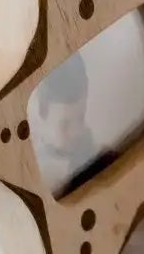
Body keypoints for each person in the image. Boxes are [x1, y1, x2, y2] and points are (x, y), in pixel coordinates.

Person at [31, 52, 111, 198]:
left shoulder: (95, 150)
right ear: (41, 116)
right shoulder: (36, 172)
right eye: (65, 125)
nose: (77, 132)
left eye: (81, 117)